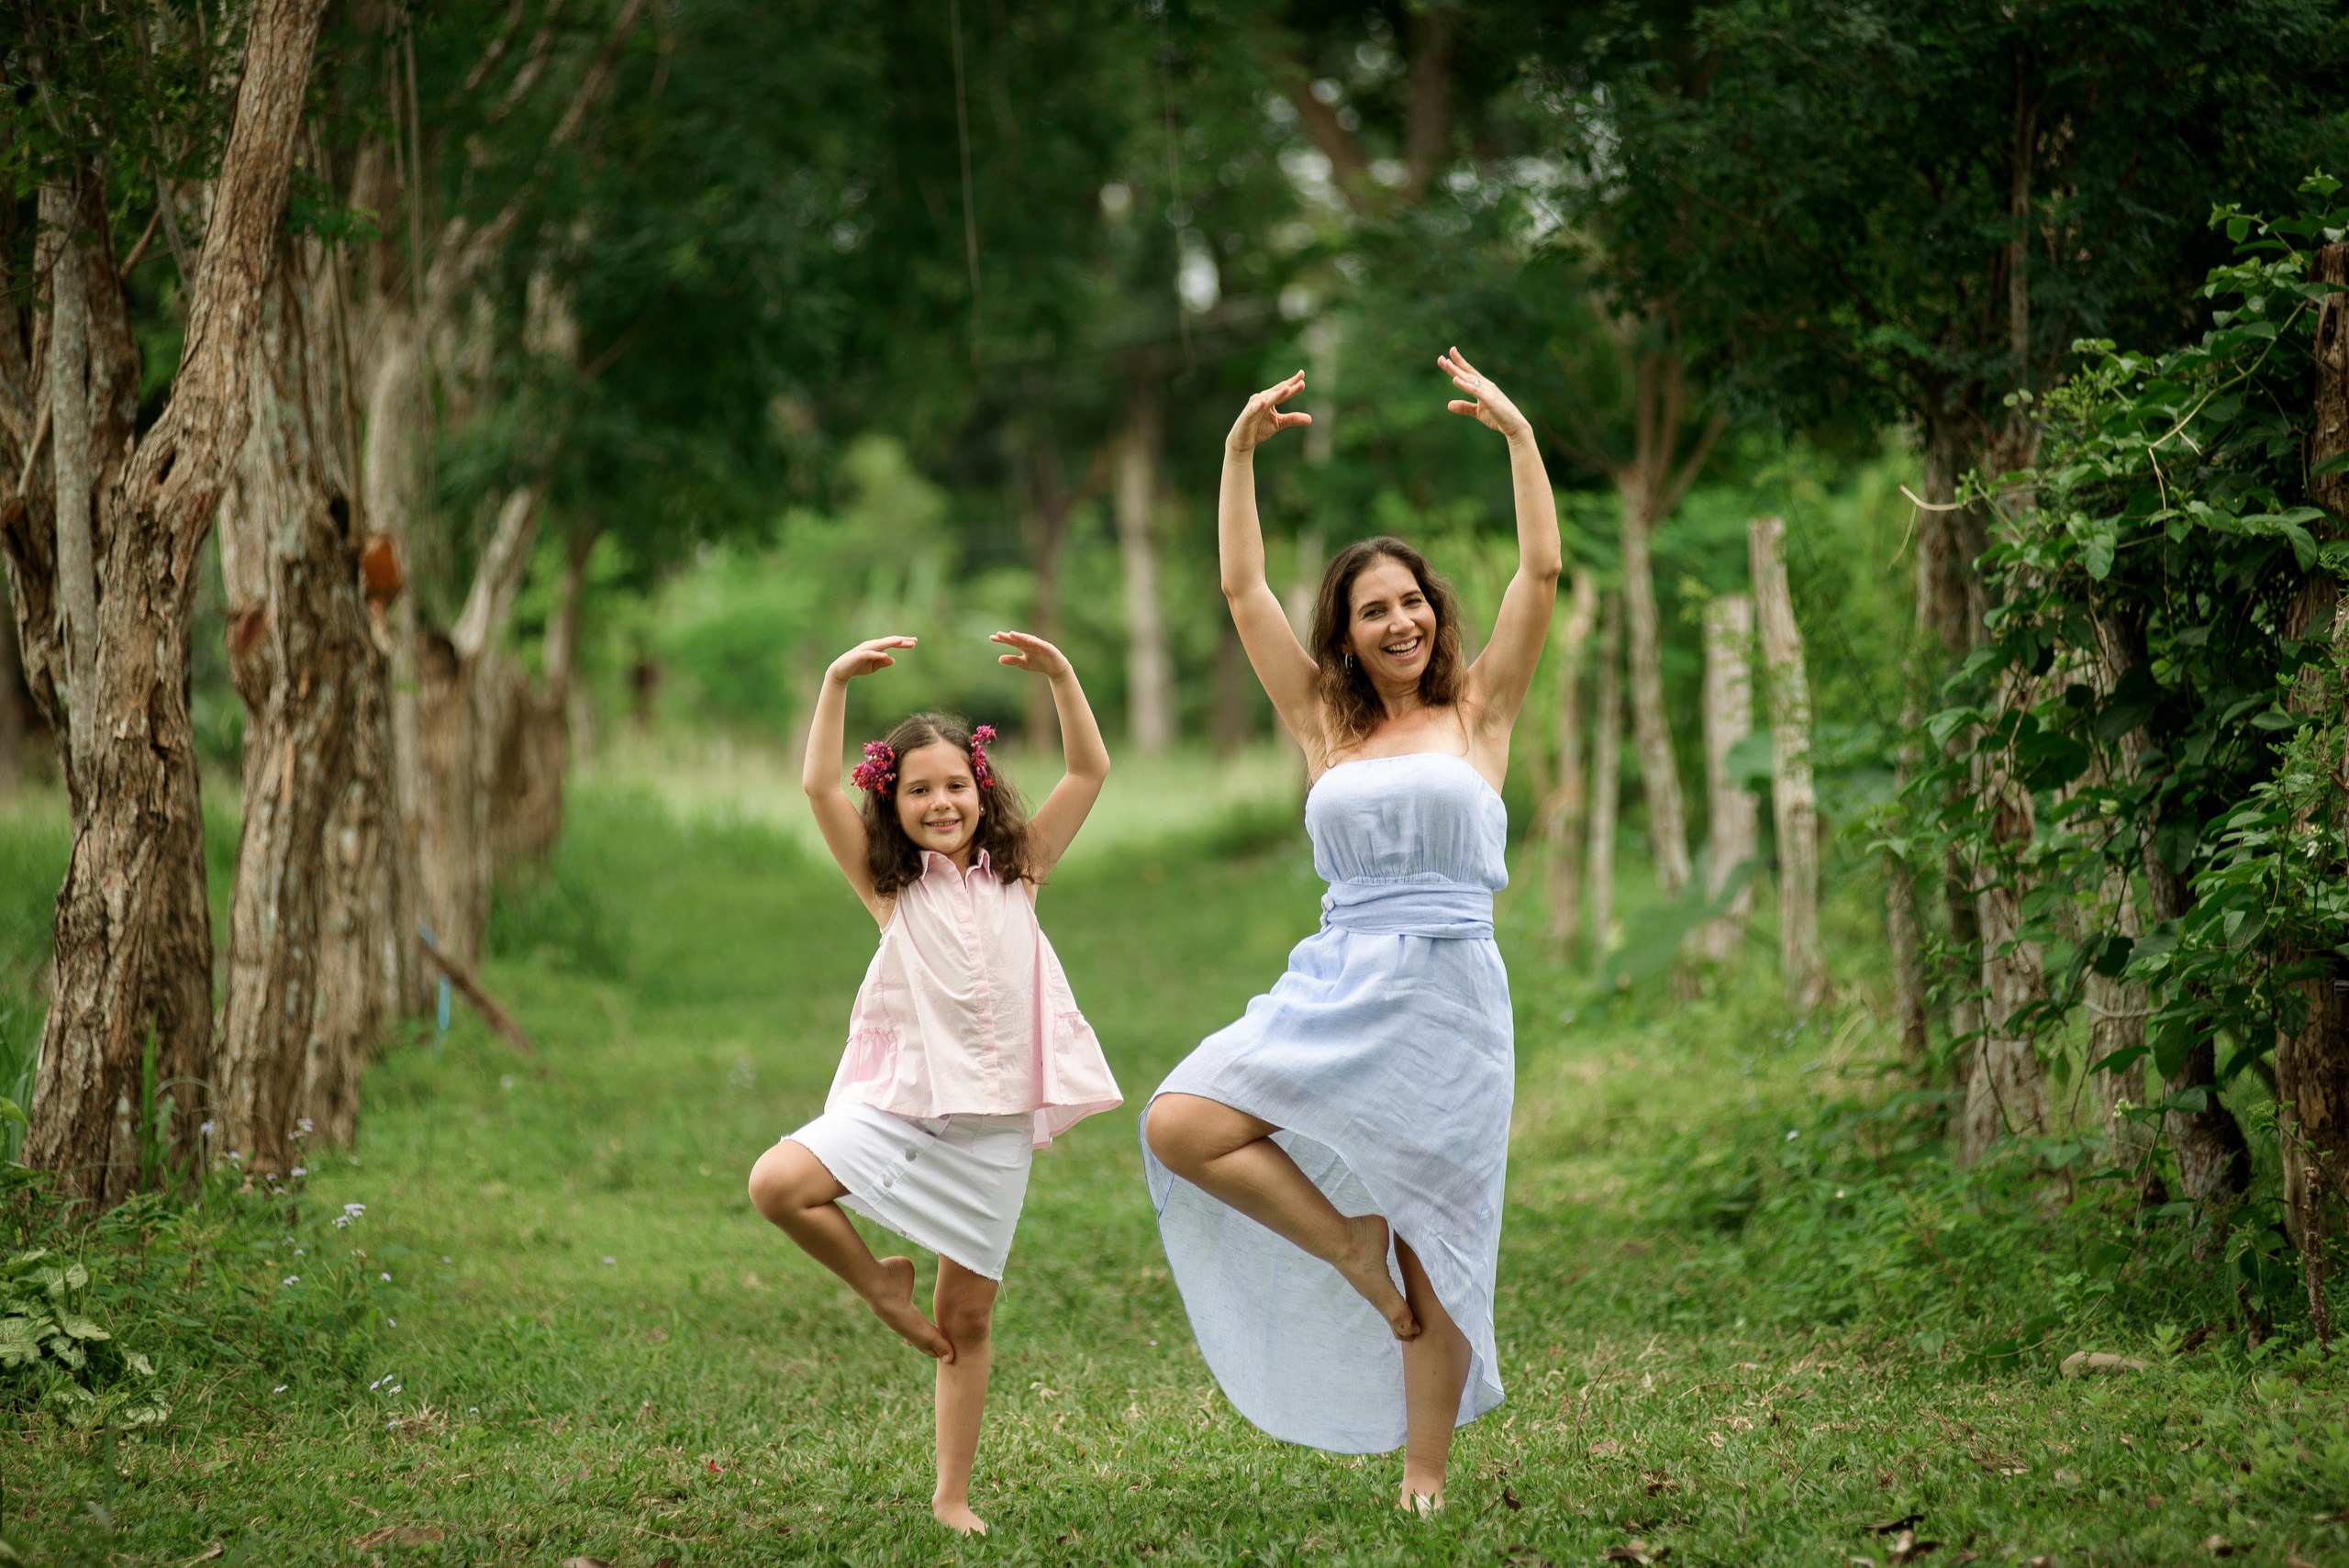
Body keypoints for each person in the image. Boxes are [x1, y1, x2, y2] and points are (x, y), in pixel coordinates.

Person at [1141, 348, 1560, 1510]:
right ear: (1346, 631)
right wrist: (1235, 454)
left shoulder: (1480, 708)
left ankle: (1424, 1472)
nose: (1401, 619)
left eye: (1413, 601)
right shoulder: (1324, 723)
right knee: (1183, 1120)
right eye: (1374, 608)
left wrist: (1519, 439)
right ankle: (1344, 1242)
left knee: (1444, 1230)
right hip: (1335, 977)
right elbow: (1241, 592)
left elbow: (1542, 565)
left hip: (1451, 996)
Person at [747, 630, 1121, 1536]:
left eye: (955, 783)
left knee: (965, 1314)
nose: (940, 800)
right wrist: (834, 678)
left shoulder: (1019, 871)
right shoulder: (889, 887)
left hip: (991, 1128)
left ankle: (951, 1494)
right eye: (918, 789)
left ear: (980, 788)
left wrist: (1064, 676)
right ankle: (879, 1282)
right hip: (903, 1106)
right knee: (777, 1183)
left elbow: (1089, 769)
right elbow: (812, 788)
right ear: (892, 800)